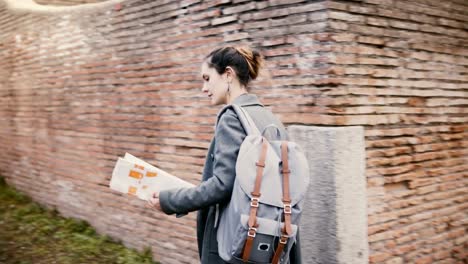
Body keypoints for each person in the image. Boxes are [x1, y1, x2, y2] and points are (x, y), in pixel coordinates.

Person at [147, 46, 301, 263]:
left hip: (233, 243)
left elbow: (222, 185)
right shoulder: (270, 119)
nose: (203, 88)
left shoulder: (232, 117)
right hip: (269, 240)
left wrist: (170, 200)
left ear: (228, 75)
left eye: (207, 78)